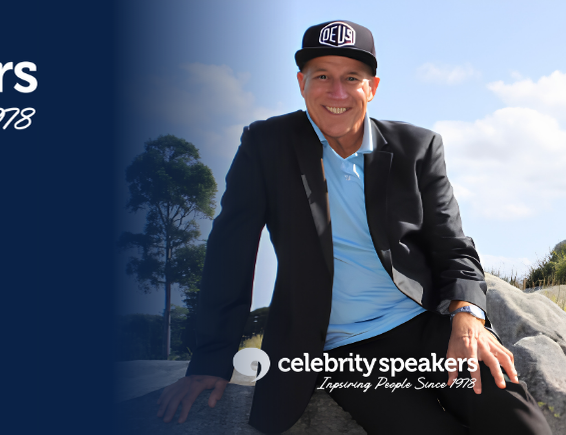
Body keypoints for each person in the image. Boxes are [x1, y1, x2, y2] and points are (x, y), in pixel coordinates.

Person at [154, 20, 552, 434]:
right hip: (344, 350)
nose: (337, 93)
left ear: (372, 87)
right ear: (301, 83)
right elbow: (229, 255)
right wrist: (210, 361)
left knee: (517, 420)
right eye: (322, 77)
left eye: (351, 78)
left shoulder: (417, 148)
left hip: (424, 322)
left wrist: (467, 318)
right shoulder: (265, 145)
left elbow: (453, 246)